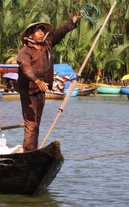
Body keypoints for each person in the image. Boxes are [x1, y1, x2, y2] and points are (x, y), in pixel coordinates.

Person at [16, 11, 82, 152]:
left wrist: (73, 20)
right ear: (29, 35)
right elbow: (26, 68)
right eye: (37, 31)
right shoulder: (25, 51)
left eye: (42, 31)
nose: (40, 33)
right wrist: (37, 80)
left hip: (41, 88)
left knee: (37, 121)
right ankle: (28, 150)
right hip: (29, 89)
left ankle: (33, 149)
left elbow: (59, 33)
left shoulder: (46, 45)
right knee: (31, 122)